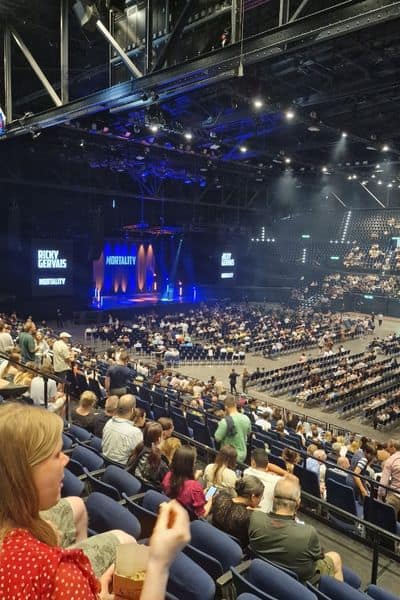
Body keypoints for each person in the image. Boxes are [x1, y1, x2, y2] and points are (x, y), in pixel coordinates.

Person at [0, 402, 190, 599]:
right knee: (125, 539)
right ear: (22, 475)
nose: (66, 459)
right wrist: (159, 563)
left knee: (77, 504)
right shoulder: (61, 577)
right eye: (56, 455)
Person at [248, 478, 344, 583]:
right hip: (298, 584)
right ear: (298, 503)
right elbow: (318, 556)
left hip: (262, 576)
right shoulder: (308, 533)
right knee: (335, 557)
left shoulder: (255, 518)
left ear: (272, 498)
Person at [210, 475, 264, 547]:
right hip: (228, 550)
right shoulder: (250, 518)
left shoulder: (221, 497)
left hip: (209, 541)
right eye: (261, 497)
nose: (260, 500)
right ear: (253, 497)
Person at [162, 446, 211, 518]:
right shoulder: (195, 488)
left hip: (168, 514)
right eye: (194, 462)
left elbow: (182, 485)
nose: (195, 464)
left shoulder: (168, 475)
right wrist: (210, 501)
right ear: (190, 465)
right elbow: (202, 515)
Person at [102, 394, 143, 465]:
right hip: (122, 468)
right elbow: (138, 455)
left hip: (104, 462)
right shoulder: (135, 432)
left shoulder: (109, 422)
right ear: (133, 410)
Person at [214, 394, 251, 463]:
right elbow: (248, 433)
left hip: (229, 455)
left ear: (226, 407)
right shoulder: (246, 418)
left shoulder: (224, 421)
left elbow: (217, 438)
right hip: (243, 454)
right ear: (235, 405)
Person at [244, 449, 282, 513]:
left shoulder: (247, 472)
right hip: (265, 515)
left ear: (253, 462)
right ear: (267, 464)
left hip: (245, 512)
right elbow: (289, 477)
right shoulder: (276, 480)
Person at [378, 439, 400, 518]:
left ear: (393, 447)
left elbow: (383, 484)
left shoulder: (390, 460)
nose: (387, 450)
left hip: (395, 496)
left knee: (387, 520)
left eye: (388, 448)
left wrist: (380, 497)